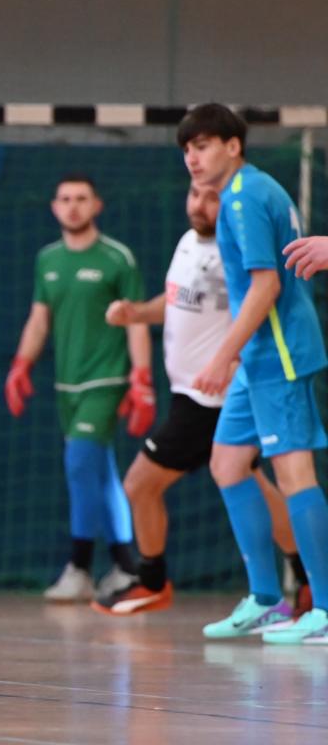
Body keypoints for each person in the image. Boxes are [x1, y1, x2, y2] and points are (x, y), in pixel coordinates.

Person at [93, 182, 310, 616]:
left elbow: (260, 305)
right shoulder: (189, 242)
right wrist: (138, 313)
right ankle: (306, 579)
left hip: (210, 398)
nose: (200, 204)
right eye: (194, 195)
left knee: (140, 484)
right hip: (188, 392)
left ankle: (153, 581)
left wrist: (230, 360)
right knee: (254, 484)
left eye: (212, 197)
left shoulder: (235, 251)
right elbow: (178, 302)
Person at [179, 103, 328, 643]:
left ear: (233, 145)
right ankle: (266, 599)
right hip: (257, 355)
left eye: (202, 146)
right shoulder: (243, 193)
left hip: (278, 351)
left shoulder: (244, 196)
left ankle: (325, 608)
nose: (193, 158)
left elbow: (267, 287)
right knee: (227, 464)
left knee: (294, 474)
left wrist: (223, 355)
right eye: (187, 150)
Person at [6, 174, 155, 602]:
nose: (73, 206)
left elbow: (137, 320)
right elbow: (40, 319)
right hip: (66, 384)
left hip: (106, 379)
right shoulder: (48, 259)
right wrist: (21, 364)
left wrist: (141, 378)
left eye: (81, 198)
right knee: (101, 472)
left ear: (96, 205)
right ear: (55, 207)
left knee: (79, 464)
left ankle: (80, 567)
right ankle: (126, 568)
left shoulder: (117, 258)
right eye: (65, 199)